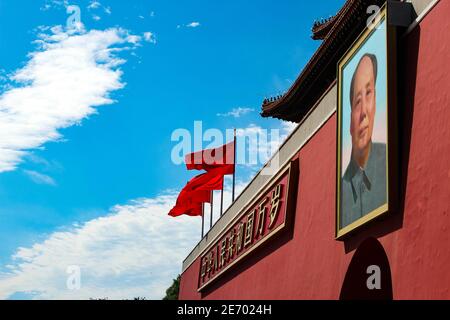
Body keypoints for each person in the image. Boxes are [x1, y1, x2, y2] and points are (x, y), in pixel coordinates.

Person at [341, 53, 387, 228]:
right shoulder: (342, 190)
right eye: (358, 101)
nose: (363, 114)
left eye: (369, 93)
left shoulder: (387, 162)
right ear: (350, 122)